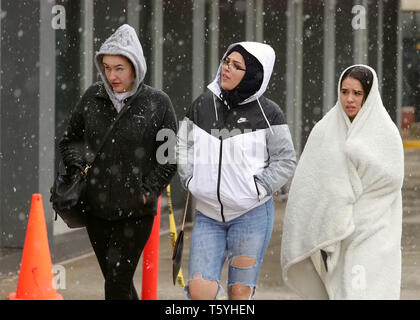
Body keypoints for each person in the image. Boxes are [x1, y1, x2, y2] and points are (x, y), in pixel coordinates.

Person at [58, 24, 177, 300]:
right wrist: (78, 168)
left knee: (116, 283)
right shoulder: (92, 97)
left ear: (135, 66)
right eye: (108, 67)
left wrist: (146, 192)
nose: (112, 75)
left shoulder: (158, 103)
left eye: (119, 68)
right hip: (96, 210)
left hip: (135, 214)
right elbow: (69, 140)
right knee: (119, 285)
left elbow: (170, 157)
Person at [177, 42, 296, 300]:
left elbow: (286, 160)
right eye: (226, 62)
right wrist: (190, 178)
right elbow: (182, 144)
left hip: (250, 216)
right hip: (208, 215)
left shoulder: (269, 113)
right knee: (199, 291)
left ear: (252, 74)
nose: (226, 68)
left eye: (236, 65)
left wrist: (258, 188)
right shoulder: (202, 104)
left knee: (239, 293)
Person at [281, 65, 404, 299]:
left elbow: (389, 182)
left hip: (375, 230)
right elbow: (309, 186)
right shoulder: (324, 131)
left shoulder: (386, 133)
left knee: (367, 289)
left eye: (357, 93)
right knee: (343, 291)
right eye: (345, 91)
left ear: (368, 96)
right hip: (337, 234)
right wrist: (335, 212)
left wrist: (356, 213)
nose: (350, 99)